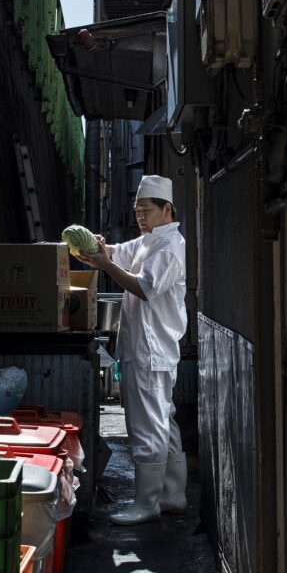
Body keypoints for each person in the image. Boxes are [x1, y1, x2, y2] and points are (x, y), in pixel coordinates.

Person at [77, 174, 188, 525]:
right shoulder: (147, 241)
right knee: (162, 422)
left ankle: (146, 503)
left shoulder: (171, 247)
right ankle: (172, 495)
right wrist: (97, 247)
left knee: (145, 426)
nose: (140, 216)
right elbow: (112, 253)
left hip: (151, 349)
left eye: (146, 210)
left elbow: (145, 288)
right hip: (146, 347)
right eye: (137, 210)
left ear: (166, 209)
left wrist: (108, 265)